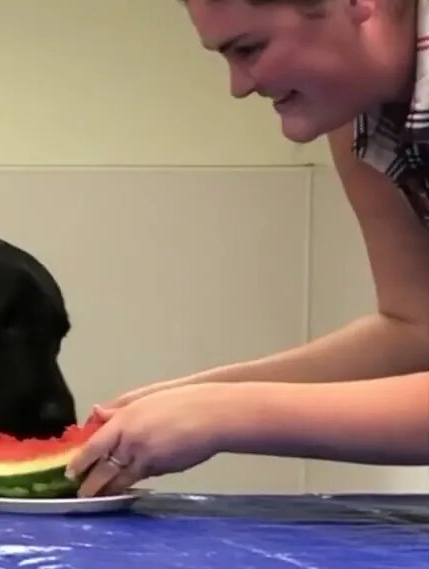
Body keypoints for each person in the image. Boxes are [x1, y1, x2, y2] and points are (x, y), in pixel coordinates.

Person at [68, 0, 429, 497]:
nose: (239, 86)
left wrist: (225, 415)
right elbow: (415, 329)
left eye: (250, 49)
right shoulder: (355, 115)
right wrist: (197, 396)